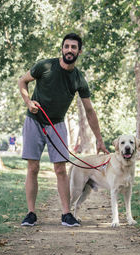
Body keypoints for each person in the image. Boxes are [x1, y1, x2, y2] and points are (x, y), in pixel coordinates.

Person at [18, 33, 109, 227]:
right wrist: (28, 101)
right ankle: (31, 213)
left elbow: (90, 111)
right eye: (66, 46)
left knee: (60, 169)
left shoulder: (78, 78)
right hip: (34, 120)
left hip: (57, 124)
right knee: (32, 167)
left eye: (73, 47)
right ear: (62, 48)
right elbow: (22, 81)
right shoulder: (45, 66)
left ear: (79, 51)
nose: (69, 50)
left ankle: (66, 214)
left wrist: (99, 139)